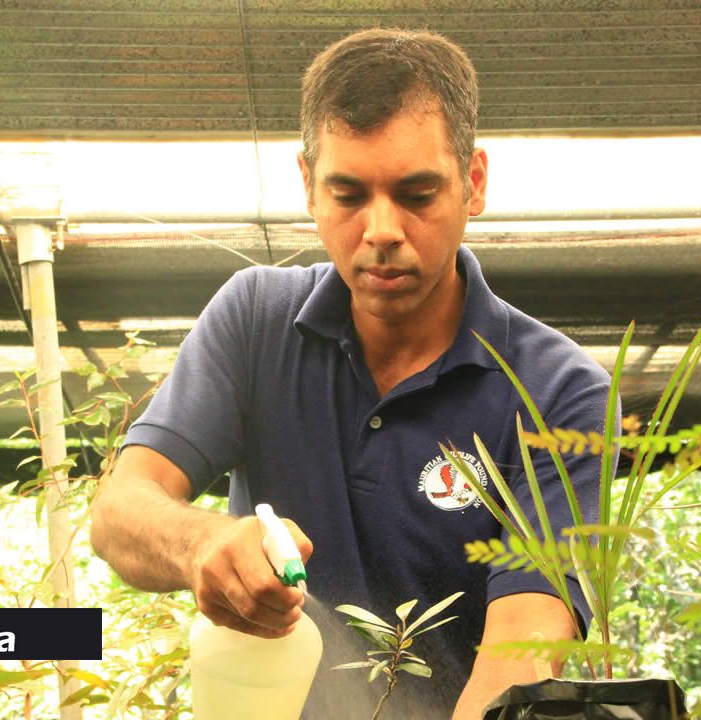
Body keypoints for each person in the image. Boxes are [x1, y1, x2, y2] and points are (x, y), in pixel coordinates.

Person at [90, 28, 609, 719]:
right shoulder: (254, 323)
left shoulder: (556, 393)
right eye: (349, 194)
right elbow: (120, 511)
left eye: (417, 194)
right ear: (308, 185)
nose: (382, 230)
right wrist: (201, 542)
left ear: (473, 182)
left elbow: (526, 639)